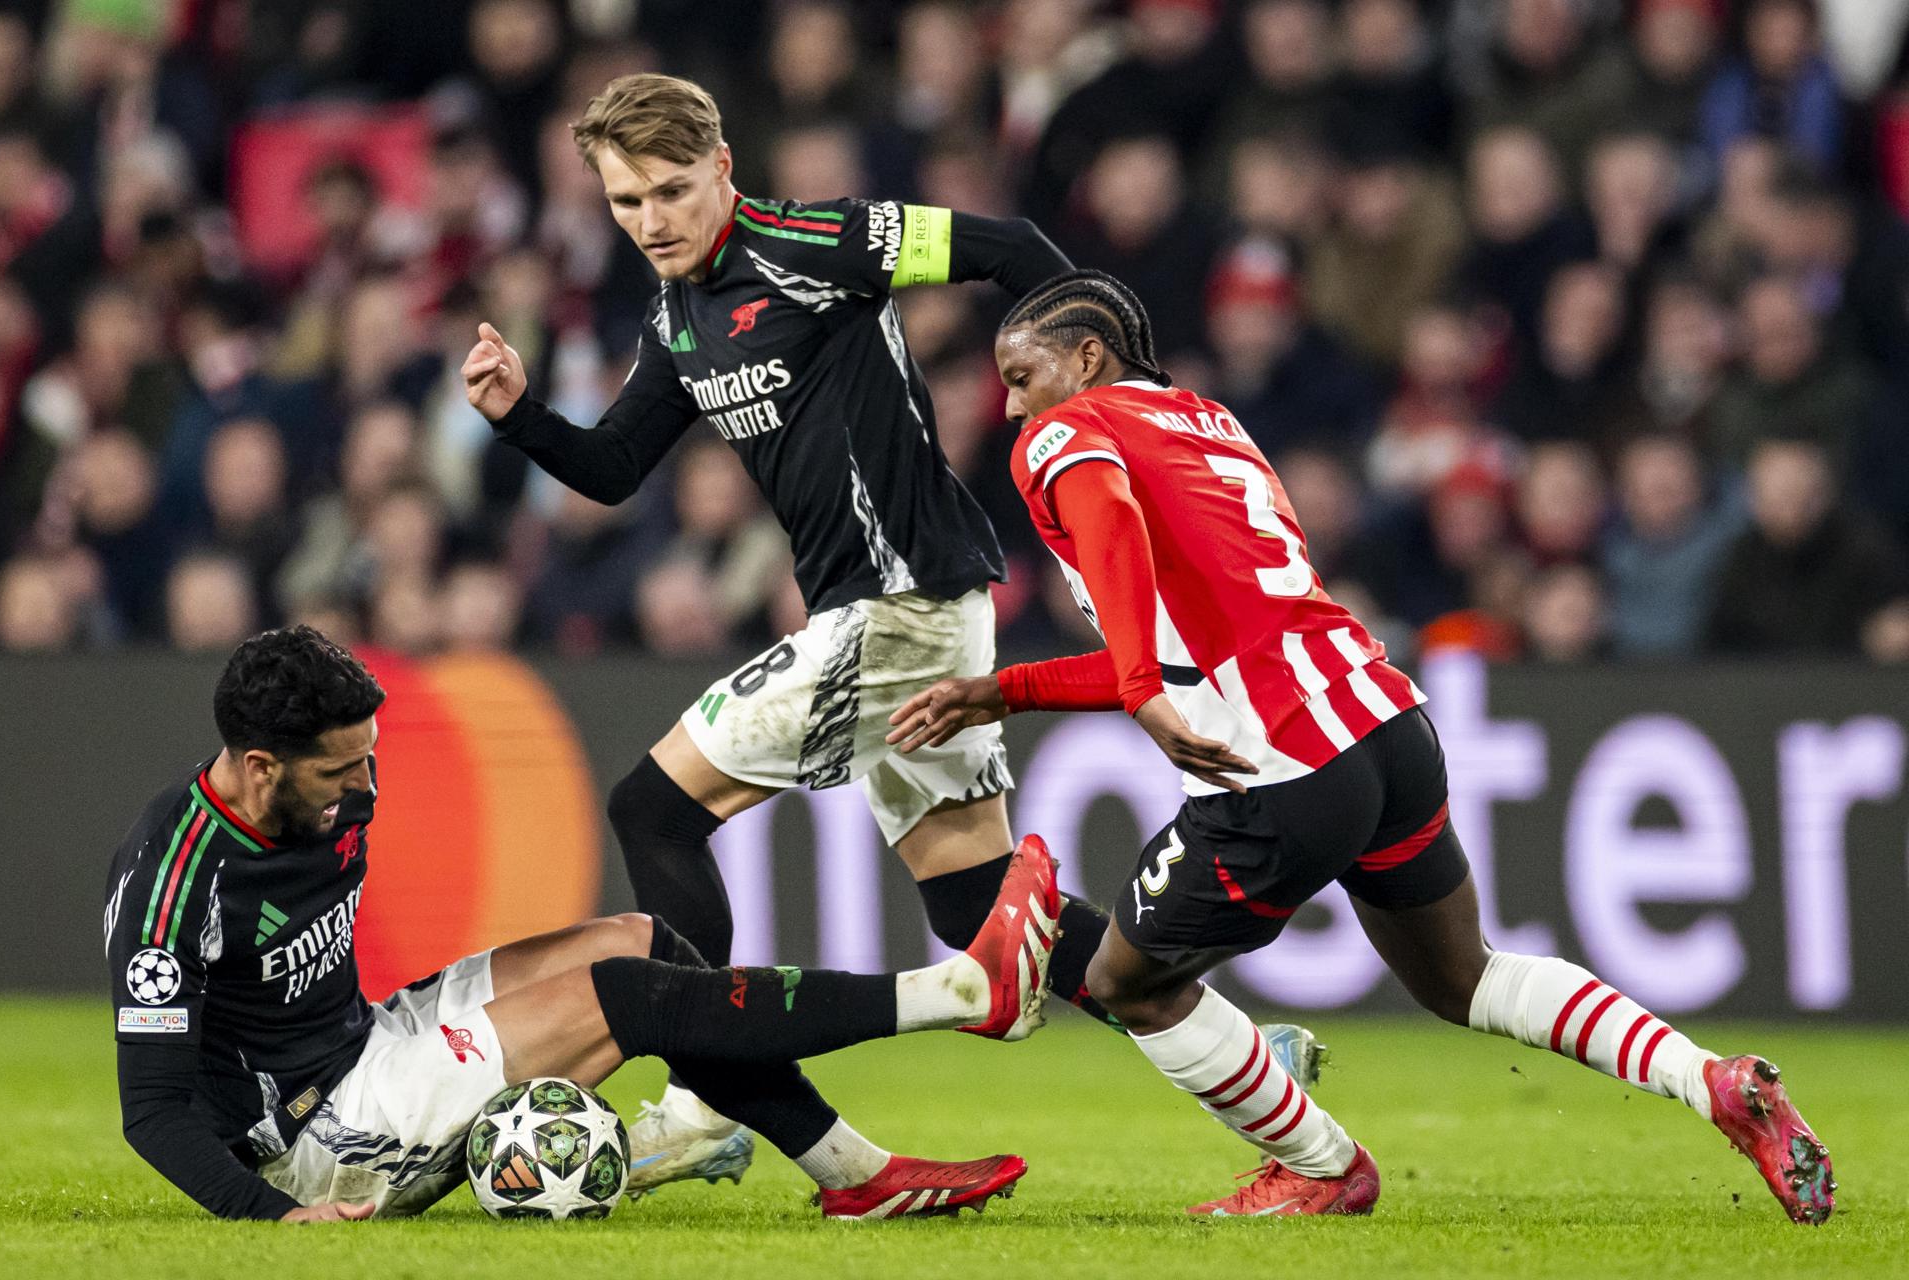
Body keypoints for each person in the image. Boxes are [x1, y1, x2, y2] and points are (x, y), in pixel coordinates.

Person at [460, 73, 1324, 1190]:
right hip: (902, 608)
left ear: (723, 168)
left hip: (902, 604)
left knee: (652, 806)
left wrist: (1103, 409)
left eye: (672, 190)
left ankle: (692, 1098)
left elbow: (1011, 246)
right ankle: (1236, 1050)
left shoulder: (822, 243)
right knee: (973, 901)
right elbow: (618, 466)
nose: (653, 222)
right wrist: (519, 416)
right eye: (627, 203)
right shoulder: (676, 318)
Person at [887, 270, 1834, 1224]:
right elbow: (1202, 638)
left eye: (1022, 374)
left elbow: (1114, 535)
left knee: (1123, 982)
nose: (1011, 406)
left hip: (1284, 767)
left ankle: (1321, 1164)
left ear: (1087, 357)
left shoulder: (1068, 434)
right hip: (1386, 727)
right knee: (1465, 975)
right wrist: (1002, 692)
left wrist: (1133, 688)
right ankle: (1713, 1080)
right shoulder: (1210, 423)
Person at [105, 626, 1062, 1223]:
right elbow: (152, 1112)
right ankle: (961, 992)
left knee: (641, 942)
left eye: (370, 757)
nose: (366, 786)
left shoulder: (330, 788)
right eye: (340, 771)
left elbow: (341, 797)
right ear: (261, 766)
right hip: (313, 1141)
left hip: (366, 1041)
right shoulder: (171, 888)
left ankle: (854, 1173)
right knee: (626, 1000)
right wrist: (271, 1218)